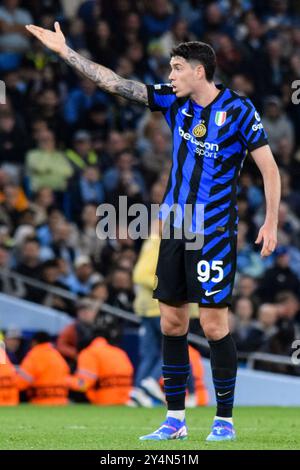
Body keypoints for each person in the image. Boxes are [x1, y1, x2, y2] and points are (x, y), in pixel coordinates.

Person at [26, 24, 281, 442]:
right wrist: (65, 52)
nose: (171, 74)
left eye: (177, 68)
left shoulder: (238, 109)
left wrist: (270, 220)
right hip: (176, 227)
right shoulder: (172, 100)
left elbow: (269, 168)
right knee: (171, 323)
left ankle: (224, 419)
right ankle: (175, 420)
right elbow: (115, 83)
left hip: (213, 230)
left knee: (215, 326)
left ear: (200, 72)